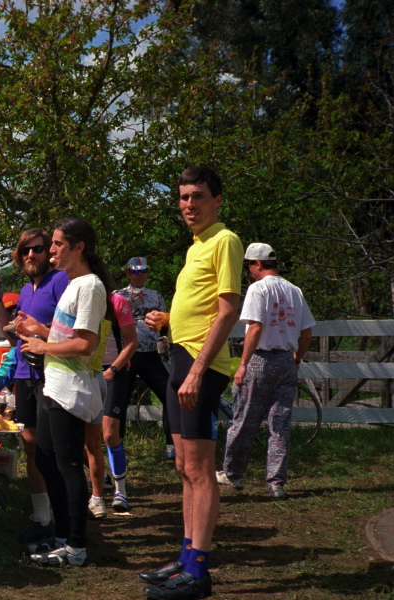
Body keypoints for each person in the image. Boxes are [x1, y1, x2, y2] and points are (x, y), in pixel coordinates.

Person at [142, 166, 243, 599]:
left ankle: (198, 572)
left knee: (201, 471)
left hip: (201, 366)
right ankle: (185, 558)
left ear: (217, 200)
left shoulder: (225, 240)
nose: (189, 204)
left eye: (198, 196)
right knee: (184, 466)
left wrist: (199, 371)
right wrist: (168, 320)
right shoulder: (196, 246)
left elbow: (228, 310)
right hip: (181, 359)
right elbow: (198, 309)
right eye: (184, 197)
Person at [17, 218, 111, 568]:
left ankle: (76, 546)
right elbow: (66, 335)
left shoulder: (90, 286)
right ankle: (61, 536)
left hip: (71, 389)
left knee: (68, 465)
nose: (51, 250)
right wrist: (39, 330)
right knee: (45, 459)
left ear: (78, 248)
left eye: (57, 244)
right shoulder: (73, 284)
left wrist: (42, 347)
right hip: (53, 385)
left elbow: (85, 345)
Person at [0, 229, 69, 545]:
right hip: (24, 375)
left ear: (49, 252)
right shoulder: (25, 289)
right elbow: (13, 338)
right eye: (25, 251)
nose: (31, 255)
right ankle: (42, 518)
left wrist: (41, 331)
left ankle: (65, 522)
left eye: (37, 249)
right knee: (30, 444)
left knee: (53, 449)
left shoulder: (60, 281)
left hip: (52, 373)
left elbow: (72, 332)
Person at [216, 243, 315, 499]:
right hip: (286, 361)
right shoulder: (295, 290)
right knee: (279, 424)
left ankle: (233, 473)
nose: (249, 270)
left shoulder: (258, 289)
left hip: (260, 359)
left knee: (244, 419)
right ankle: (276, 482)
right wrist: (296, 359)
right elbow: (306, 333)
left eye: (249, 265)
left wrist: (243, 364)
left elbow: (256, 327)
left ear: (258, 264)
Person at [115, 257, 175, 461]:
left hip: (151, 354)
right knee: (120, 400)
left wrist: (165, 347)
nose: (140, 275)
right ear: (128, 274)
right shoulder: (118, 295)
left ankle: (172, 445)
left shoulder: (155, 295)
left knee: (169, 395)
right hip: (127, 354)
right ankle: (117, 444)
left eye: (143, 271)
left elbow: (165, 325)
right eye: (135, 272)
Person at [86, 291, 137, 517]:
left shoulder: (117, 301)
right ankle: (98, 488)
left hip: (114, 371)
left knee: (109, 434)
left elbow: (132, 342)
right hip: (87, 370)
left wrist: (113, 369)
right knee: (87, 436)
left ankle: (120, 491)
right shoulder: (77, 297)